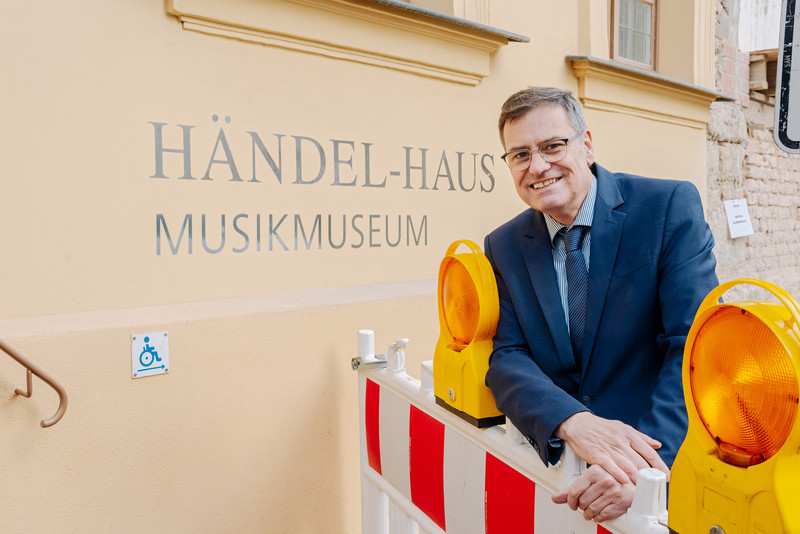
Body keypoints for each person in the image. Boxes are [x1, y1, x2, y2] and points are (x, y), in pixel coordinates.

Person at [483, 87, 718, 523]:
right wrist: (572, 420)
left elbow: (693, 347)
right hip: (562, 475)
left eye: (553, 146)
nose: (537, 166)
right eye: (519, 155)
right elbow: (507, 357)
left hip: (659, 474)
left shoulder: (666, 208)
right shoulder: (504, 244)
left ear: (586, 144)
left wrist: (640, 469)